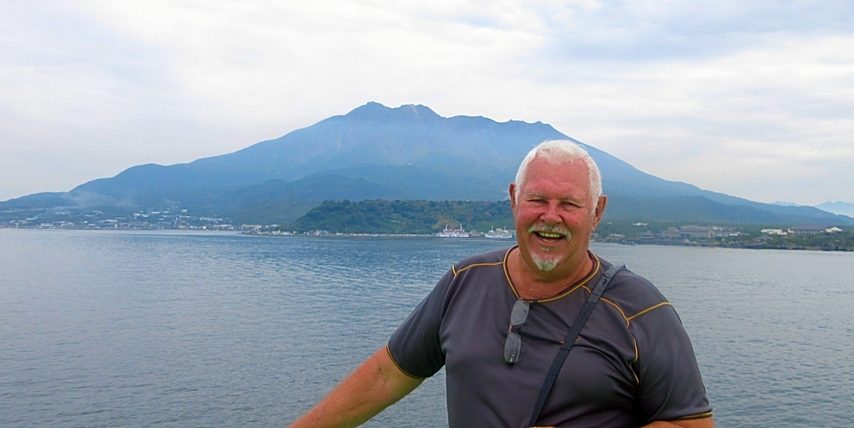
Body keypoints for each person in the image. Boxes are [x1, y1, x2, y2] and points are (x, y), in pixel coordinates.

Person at [289, 140, 714, 428]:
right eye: (537, 200)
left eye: (569, 204)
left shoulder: (641, 310)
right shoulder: (464, 283)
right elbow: (387, 375)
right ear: (513, 199)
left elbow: (693, 423)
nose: (551, 216)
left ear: (596, 211)